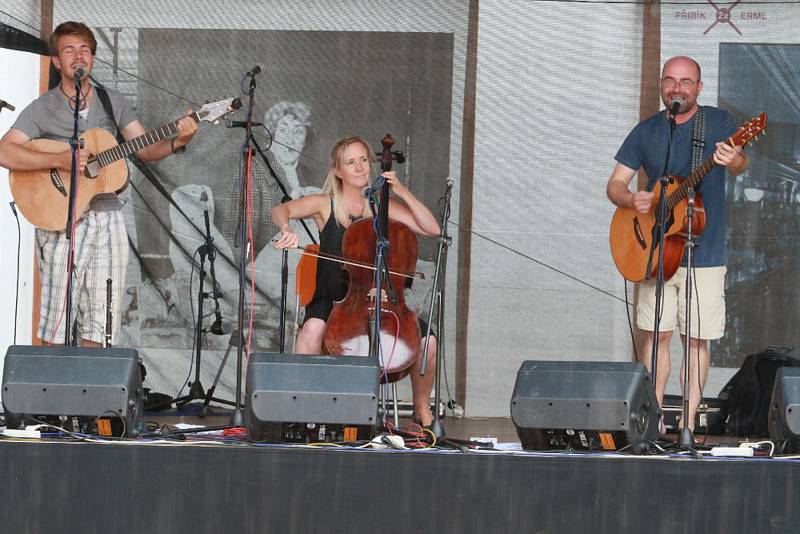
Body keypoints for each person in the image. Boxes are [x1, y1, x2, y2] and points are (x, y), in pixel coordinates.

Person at [0, 21, 198, 346]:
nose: (78, 56)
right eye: (69, 50)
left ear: (92, 57)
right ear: (56, 61)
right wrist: (58, 160)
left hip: (109, 219)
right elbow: (4, 151)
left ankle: (91, 392)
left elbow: (146, 148)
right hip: (60, 220)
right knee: (57, 321)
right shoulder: (43, 107)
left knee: (102, 321)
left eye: (85, 50)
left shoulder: (113, 102)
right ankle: (54, 392)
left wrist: (178, 140)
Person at [606, 56, 749, 433]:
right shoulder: (646, 130)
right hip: (654, 250)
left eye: (686, 82)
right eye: (670, 80)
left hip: (706, 251)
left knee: (696, 339)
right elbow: (615, 184)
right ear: (661, 85)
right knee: (655, 335)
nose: (677, 88)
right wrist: (630, 200)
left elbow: (739, 165)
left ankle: (687, 422)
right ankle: (653, 420)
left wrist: (734, 159)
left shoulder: (718, 122)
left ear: (699, 87)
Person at [272, 135, 441, 426]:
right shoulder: (325, 204)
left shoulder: (381, 205)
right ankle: (304, 410)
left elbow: (431, 228)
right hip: (333, 301)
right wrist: (286, 227)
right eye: (351, 162)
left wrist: (402, 191)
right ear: (338, 170)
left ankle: (421, 410)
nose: (360, 167)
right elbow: (281, 210)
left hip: (379, 301)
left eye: (363, 160)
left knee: (428, 342)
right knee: (312, 330)